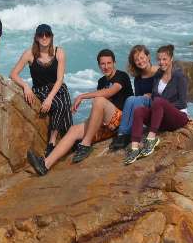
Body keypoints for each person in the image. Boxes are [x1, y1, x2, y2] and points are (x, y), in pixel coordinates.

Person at [25, 48, 132, 176]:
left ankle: (85, 145)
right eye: (103, 64)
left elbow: (110, 92)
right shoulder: (101, 81)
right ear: (99, 65)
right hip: (106, 125)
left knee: (98, 100)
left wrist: (82, 96)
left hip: (121, 122)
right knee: (74, 130)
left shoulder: (121, 76)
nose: (106, 66)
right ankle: (45, 164)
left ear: (114, 63)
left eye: (109, 63)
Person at [9, 23, 72, 154]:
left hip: (58, 88)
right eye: (41, 35)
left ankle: (59, 141)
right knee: (61, 105)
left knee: (64, 104)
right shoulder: (29, 54)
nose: (44, 37)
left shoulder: (59, 52)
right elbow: (13, 74)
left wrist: (49, 99)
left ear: (51, 37)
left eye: (47, 35)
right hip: (40, 90)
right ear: (36, 38)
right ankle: (55, 142)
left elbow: (60, 79)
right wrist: (26, 86)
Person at [124, 44, 191, 165]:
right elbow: (154, 97)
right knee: (139, 110)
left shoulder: (179, 76)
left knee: (158, 102)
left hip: (178, 117)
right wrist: (158, 104)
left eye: (164, 59)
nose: (161, 62)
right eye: (159, 59)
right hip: (162, 119)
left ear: (171, 59)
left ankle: (151, 138)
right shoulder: (158, 76)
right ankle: (134, 147)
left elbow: (182, 102)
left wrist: (164, 105)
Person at [110, 44, 160, 151]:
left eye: (142, 57)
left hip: (157, 108)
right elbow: (137, 100)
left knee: (137, 99)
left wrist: (151, 95)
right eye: (137, 60)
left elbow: (165, 92)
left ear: (148, 57)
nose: (140, 61)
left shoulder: (158, 72)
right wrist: (143, 97)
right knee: (130, 99)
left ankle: (125, 133)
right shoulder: (138, 78)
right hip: (144, 109)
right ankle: (122, 134)